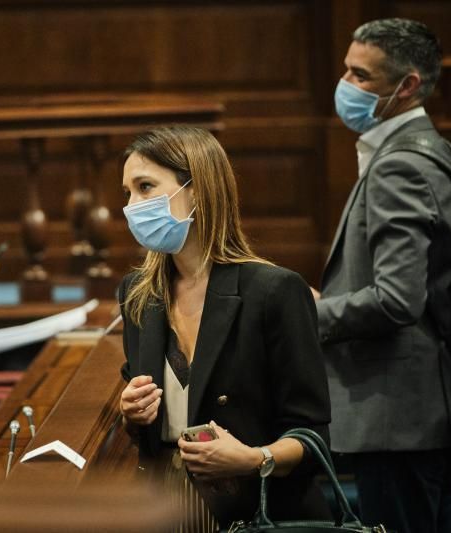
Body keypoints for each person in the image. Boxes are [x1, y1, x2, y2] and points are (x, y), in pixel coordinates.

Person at [313, 18, 451, 533]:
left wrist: (312, 312)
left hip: (401, 418)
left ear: (407, 85)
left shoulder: (400, 166)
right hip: (436, 409)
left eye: (361, 76)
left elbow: (396, 300)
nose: (345, 85)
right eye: (347, 70)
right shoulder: (437, 149)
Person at [117, 125, 331, 529]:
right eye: (127, 192)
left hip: (255, 512)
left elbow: (313, 437)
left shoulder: (275, 291)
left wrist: (254, 459)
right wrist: (132, 412)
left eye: (145, 187)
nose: (132, 206)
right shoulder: (137, 294)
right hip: (162, 508)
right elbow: (146, 416)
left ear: (196, 189)